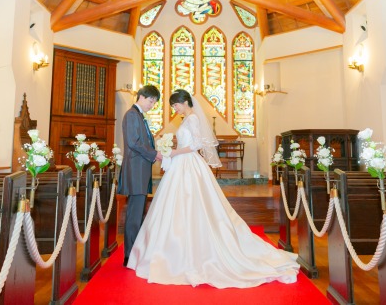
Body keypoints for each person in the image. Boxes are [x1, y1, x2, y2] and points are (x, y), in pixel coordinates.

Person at [127, 89, 299, 288]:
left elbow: (196, 145)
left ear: (184, 102)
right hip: (181, 164)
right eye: (173, 106)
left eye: (175, 105)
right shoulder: (187, 119)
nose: (175, 109)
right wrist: (172, 152)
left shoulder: (192, 119)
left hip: (188, 163)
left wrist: (173, 152)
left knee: (192, 202)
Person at [118, 85, 163, 267]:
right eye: (151, 101)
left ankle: (134, 253)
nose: (152, 105)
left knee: (138, 213)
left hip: (141, 171)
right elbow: (133, 142)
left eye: (154, 103)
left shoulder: (139, 116)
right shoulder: (131, 115)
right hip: (136, 171)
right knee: (134, 215)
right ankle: (130, 256)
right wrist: (155, 154)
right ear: (142, 97)